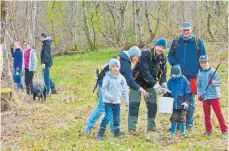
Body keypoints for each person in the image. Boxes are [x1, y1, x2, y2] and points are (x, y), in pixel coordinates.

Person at [85, 46, 149, 134]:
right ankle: (88, 128)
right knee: (102, 106)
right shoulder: (125, 62)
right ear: (132, 55)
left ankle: (114, 130)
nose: (137, 59)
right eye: (137, 57)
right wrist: (140, 89)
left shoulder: (124, 58)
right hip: (104, 83)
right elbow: (129, 80)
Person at [168, 22, 206, 129]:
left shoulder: (198, 42)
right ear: (182, 31)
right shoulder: (176, 42)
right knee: (176, 99)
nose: (186, 32)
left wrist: (200, 71)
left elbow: (203, 58)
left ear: (191, 30)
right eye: (184, 30)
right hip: (178, 77)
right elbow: (170, 55)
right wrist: (175, 65)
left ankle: (189, 123)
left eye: (188, 30)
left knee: (190, 100)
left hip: (192, 76)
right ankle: (177, 123)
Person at [128, 38, 168, 132]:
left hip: (150, 84)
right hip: (136, 82)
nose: (160, 49)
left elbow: (163, 74)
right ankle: (132, 129)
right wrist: (155, 85)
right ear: (155, 45)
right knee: (134, 104)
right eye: (159, 46)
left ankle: (151, 128)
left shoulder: (163, 59)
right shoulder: (146, 54)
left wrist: (164, 84)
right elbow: (144, 71)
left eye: (163, 47)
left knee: (152, 106)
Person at [97, 59, 129, 140]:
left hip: (117, 102)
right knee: (107, 117)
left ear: (119, 67)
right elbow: (103, 89)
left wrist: (127, 100)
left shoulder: (121, 78)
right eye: (113, 67)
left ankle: (116, 132)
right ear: (110, 68)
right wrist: (108, 97)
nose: (115, 68)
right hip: (108, 102)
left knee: (117, 117)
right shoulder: (107, 77)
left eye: (117, 66)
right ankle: (100, 133)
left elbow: (124, 90)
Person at [197, 55, 228, 135]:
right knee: (207, 115)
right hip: (205, 97)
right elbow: (199, 86)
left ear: (208, 62)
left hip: (214, 96)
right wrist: (200, 94)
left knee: (218, 113)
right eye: (202, 63)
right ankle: (208, 130)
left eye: (205, 62)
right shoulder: (200, 75)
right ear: (200, 64)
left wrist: (213, 83)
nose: (204, 64)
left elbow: (218, 83)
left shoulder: (213, 72)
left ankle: (224, 130)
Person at [167, 65, 192, 136]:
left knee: (182, 117)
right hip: (174, 103)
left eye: (176, 75)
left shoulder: (184, 80)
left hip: (182, 102)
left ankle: (183, 131)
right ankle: (172, 131)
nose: (175, 77)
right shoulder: (170, 81)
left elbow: (188, 92)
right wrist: (167, 94)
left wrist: (186, 101)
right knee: (173, 117)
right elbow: (168, 91)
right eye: (173, 75)